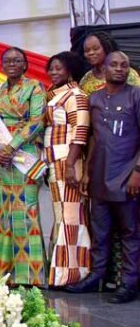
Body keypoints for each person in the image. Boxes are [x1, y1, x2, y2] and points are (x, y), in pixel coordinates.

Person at [67, 51, 140, 303]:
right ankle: (97, 276)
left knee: (130, 232)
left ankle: (129, 283)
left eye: (124, 65)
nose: (120, 69)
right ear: (104, 68)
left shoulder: (135, 95)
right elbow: (92, 137)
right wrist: (87, 172)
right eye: (114, 65)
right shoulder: (95, 98)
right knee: (100, 231)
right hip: (99, 175)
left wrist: (137, 172)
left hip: (127, 176)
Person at [0, 47, 47, 287]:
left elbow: (37, 121)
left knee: (23, 212)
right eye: (7, 60)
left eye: (17, 60)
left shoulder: (35, 87)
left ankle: (27, 274)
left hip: (22, 157)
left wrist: (11, 147)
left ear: (25, 64)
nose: (11, 63)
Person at [43, 51, 91, 288]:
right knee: (62, 216)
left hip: (67, 161)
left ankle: (72, 273)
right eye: (51, 68)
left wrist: (72, 165)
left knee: (71, 217)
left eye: (58, 68)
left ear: (70, 70)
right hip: (55, 161)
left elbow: (81, 132)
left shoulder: (76, 95)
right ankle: (60, 271)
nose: (53, 72)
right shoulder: (55, 94)